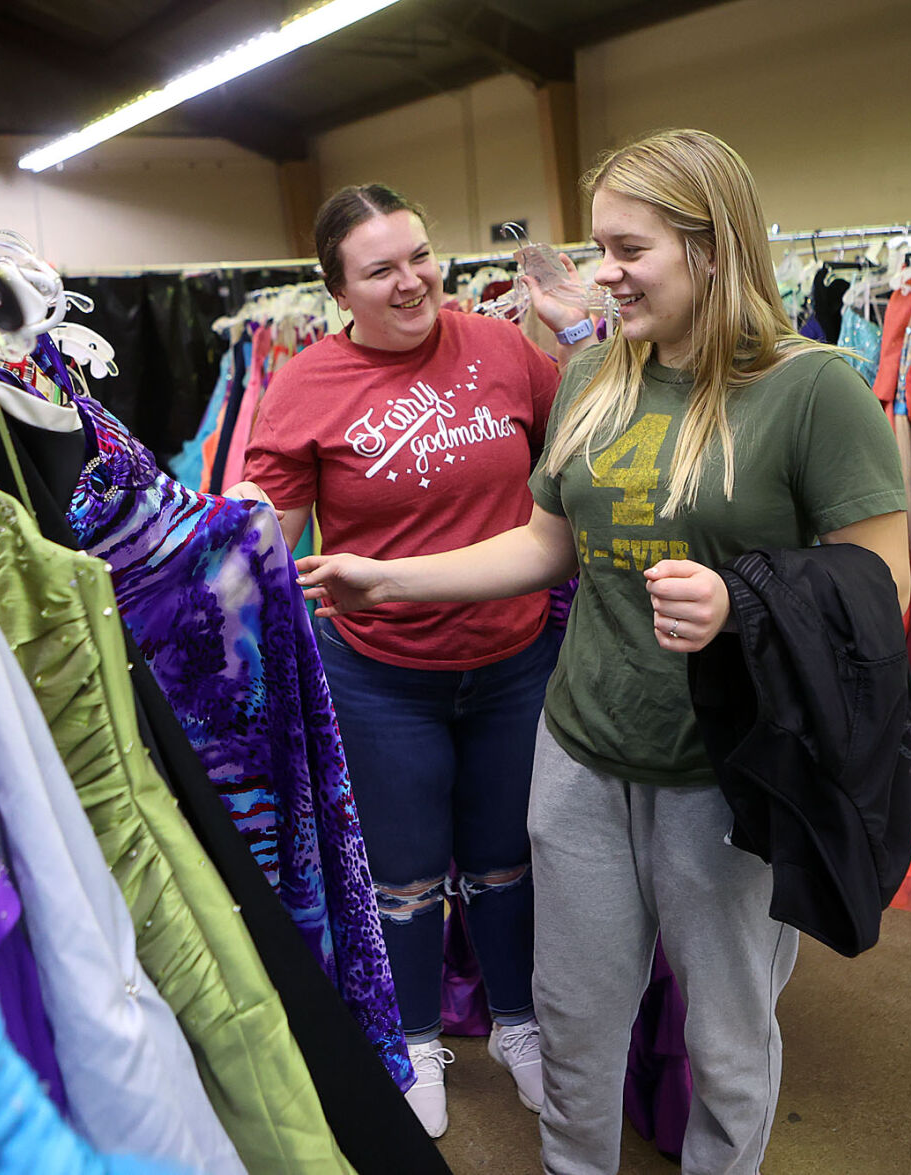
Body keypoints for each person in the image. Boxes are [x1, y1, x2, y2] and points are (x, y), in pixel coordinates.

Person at [293, 130, 910, 1174]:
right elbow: (544, 543)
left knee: (724, 1037)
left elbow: (880, 583)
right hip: (578, 749)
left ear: (709, 247)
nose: (601, 274)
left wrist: (740, 600)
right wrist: (382, 576)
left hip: (729, 768)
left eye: (629, 249)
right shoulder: (592, 375)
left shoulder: (814, 390)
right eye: (600, 248)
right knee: (574, 1028)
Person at [230, 183, 594, 1137]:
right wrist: (223, 545)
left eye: (419, 255)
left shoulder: (502, 348)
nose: (411, 281)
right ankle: (416, 1036)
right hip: (381, 671)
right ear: (338, 290)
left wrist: (590, 330)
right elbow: (272, 528)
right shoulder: (306, 381)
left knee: (508, 857)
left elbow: (583, 442)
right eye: (380, 269)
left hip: (517, 655)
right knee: (402, 872)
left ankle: (519, 1025)